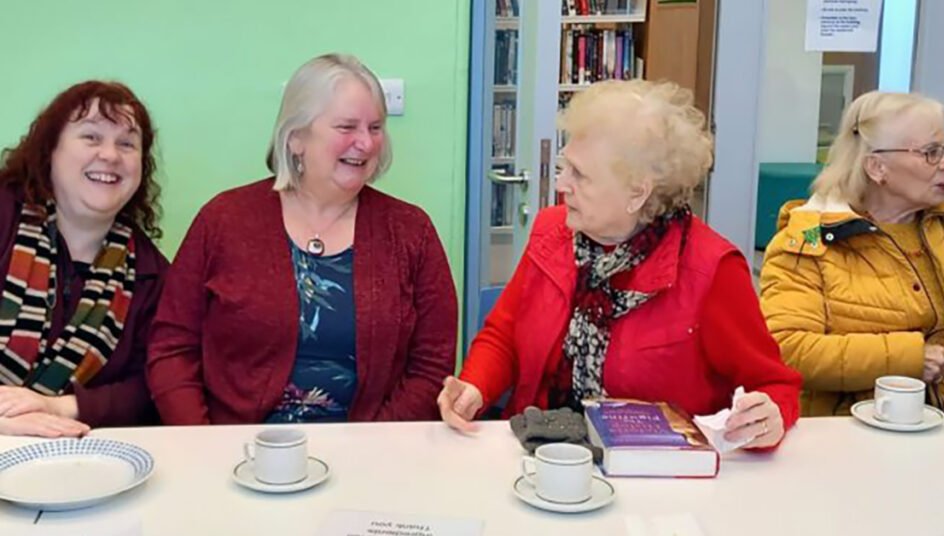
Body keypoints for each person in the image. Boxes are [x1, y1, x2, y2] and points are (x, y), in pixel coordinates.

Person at [438, 79, 802, 449]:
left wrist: (768, 417)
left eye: (580, 174)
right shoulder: (552, 231)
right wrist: (474, 387)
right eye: (565, 168)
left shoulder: (711, 270)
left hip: (651, 478)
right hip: (540, 456)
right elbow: (504, 336)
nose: (562, 184)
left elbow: (775, 385)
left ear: (637, 192)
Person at [147, 53, 457, 425]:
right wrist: (203, 442)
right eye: (346, 127)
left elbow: (431, 363)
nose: (366, 143)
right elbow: (171, 347)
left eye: (375, 128)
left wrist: (375, 447)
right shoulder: (223, 220)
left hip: (375, 454)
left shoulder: (411, 230)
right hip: (236, 452)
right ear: (296, 139)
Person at [760, 91, 944, 416]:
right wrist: (908, 359)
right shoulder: (807, 241)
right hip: (846, 436)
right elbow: (787, 348)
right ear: (877, 167)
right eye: (931, 152)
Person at [0, 81, 167, 437]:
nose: (110, 155)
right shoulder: (4, 217)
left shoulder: (151, 274)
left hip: (72, 452)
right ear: (50, 151)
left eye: (127, 144)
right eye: (91, 137)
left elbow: (152, 386)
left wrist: (56, 406)